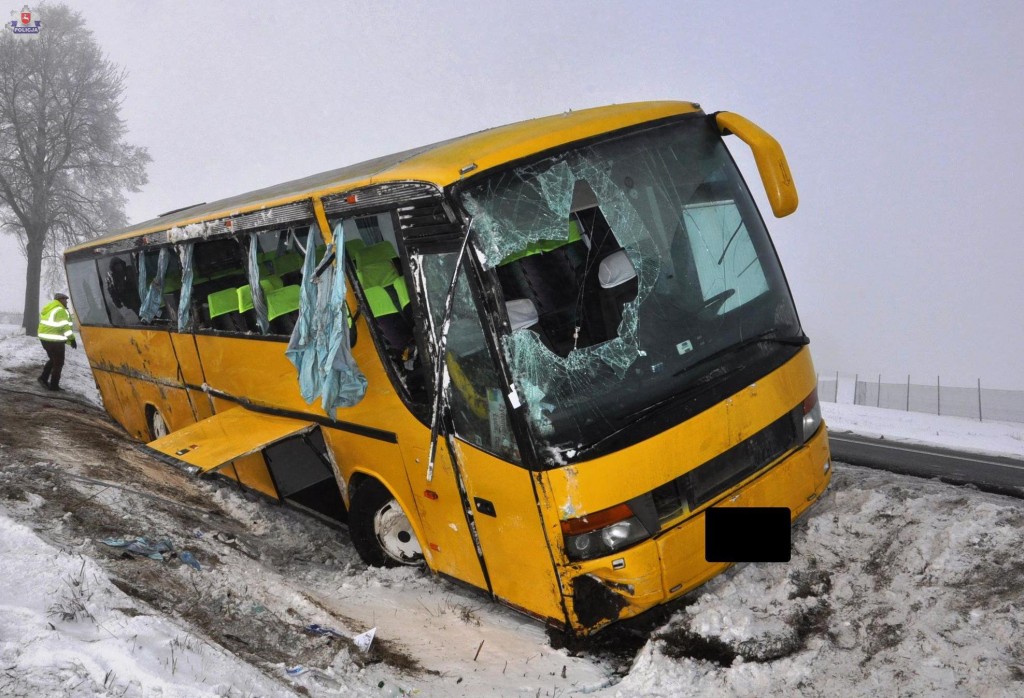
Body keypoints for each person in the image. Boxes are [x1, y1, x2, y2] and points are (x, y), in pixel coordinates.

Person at [37, 292, 77, 391]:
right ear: (60, 300)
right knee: (59, 362)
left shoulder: (50, 308)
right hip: (54, 340)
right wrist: (71, 339)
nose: (66, 301)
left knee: (53, 359)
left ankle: (43, 378)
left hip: (45, 339)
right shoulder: (60, 310)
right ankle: (54, 386)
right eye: (65, 299)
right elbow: (65, 327)